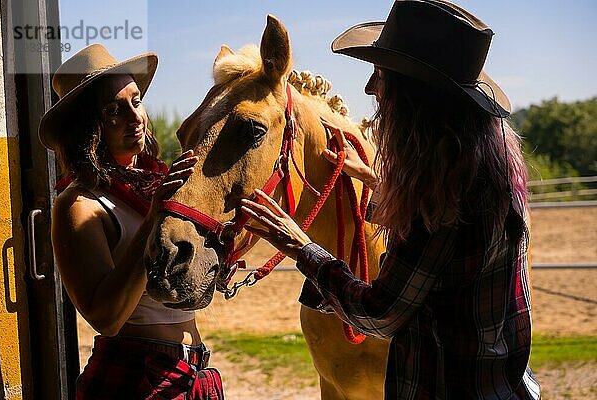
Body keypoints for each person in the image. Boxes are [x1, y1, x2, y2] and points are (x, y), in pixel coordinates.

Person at [240, 1, 540, 398]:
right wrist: (373, 181)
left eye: (381, 75)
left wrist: (301, 247)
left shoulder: (444, 202)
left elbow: (380, 314)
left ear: (416, 97)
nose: (369, 88)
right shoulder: (485, 165)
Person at [39, 44, 224, 399]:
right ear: (87, 128)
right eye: (113, 111)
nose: (135, 117)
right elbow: (106, 318)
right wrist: (157, 216)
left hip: (191, 372)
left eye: (136, 102)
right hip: (135, 379)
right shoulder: (79, 204)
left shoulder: (156, 182)